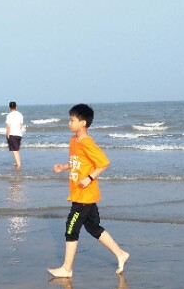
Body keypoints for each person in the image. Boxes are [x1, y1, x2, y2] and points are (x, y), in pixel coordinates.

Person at [47, 104, 129, 278]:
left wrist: (89, 178)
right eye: (70, 119)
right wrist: (64, 167)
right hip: (80, 193)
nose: (69, 123)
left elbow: (104, 163)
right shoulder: (73, 140)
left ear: (83, 123)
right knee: (93, 227)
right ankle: (120, 254)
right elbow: (78, 162)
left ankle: (67, 269)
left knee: (71, 228)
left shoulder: (87, 142)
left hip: (85, 195)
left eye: (72, 120)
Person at [5, 101, 25, 169]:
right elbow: (21, 125)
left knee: (14, 150)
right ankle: (16, 162)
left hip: (12, 134)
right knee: (16, 149)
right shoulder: (20, 114)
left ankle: (18, 165)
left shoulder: (9, 115)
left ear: (9, 107)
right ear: (16, 107)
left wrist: (7, 135)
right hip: (19, 134)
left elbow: (8, 127)